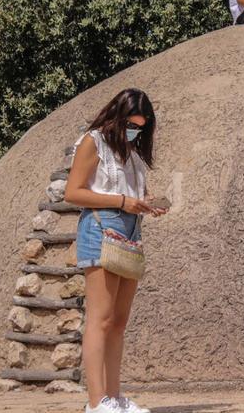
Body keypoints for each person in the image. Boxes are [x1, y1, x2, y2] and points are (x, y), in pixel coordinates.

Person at [63, 88, 168, 413]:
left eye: (140, 126)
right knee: (101, 318)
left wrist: (146, 204)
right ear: (117, 117)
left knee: (119, 321)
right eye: (131, 124)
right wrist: (122, 201)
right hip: (100, 228)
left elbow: (131, 191)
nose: (135, 131)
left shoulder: (133, 152)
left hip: (130, 231)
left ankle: (115, 396)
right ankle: (97, 402)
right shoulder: (93, 142)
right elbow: (73, 193)